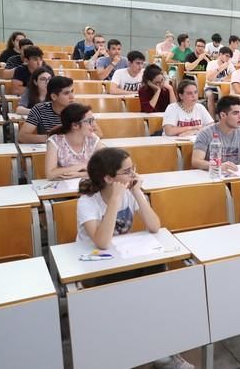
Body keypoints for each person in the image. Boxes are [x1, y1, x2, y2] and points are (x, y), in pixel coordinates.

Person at [75, 149, 193, 369]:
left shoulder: (130, 193)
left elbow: (154, 225)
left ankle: (160, 349)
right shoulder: (88, 202)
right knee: (131, 300)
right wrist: (115, 200)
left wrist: (137, 192)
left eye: (134, 169)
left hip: (123, 260)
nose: (133, 175)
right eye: (127, 172)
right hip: (95, 268)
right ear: (109, 178)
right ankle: (127, 349)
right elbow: (101, 242)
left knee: (157, 279)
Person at [192, 95, 240, 172]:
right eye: (235, 113)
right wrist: (218, 166)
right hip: (212, 176)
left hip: (234, 177)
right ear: (223, 115)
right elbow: (196, 161)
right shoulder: (205, 133)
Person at [45, 103, 104, 180]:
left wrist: (79, 174)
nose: (94, 125)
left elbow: (106, 168)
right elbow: (50, 174)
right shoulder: (55, 141)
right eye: (89, 121)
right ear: (75, 125)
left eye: (93, 120)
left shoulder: (93, 139)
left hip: (88, 186)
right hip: (63, 187)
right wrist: (82, 166)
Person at [18, 76, 75, 144]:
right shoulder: (40, 109)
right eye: (66, 93)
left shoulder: (77, 111)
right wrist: (52, 137)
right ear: (54, 96)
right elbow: (22, 137)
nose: (72, 97)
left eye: (72, 91)